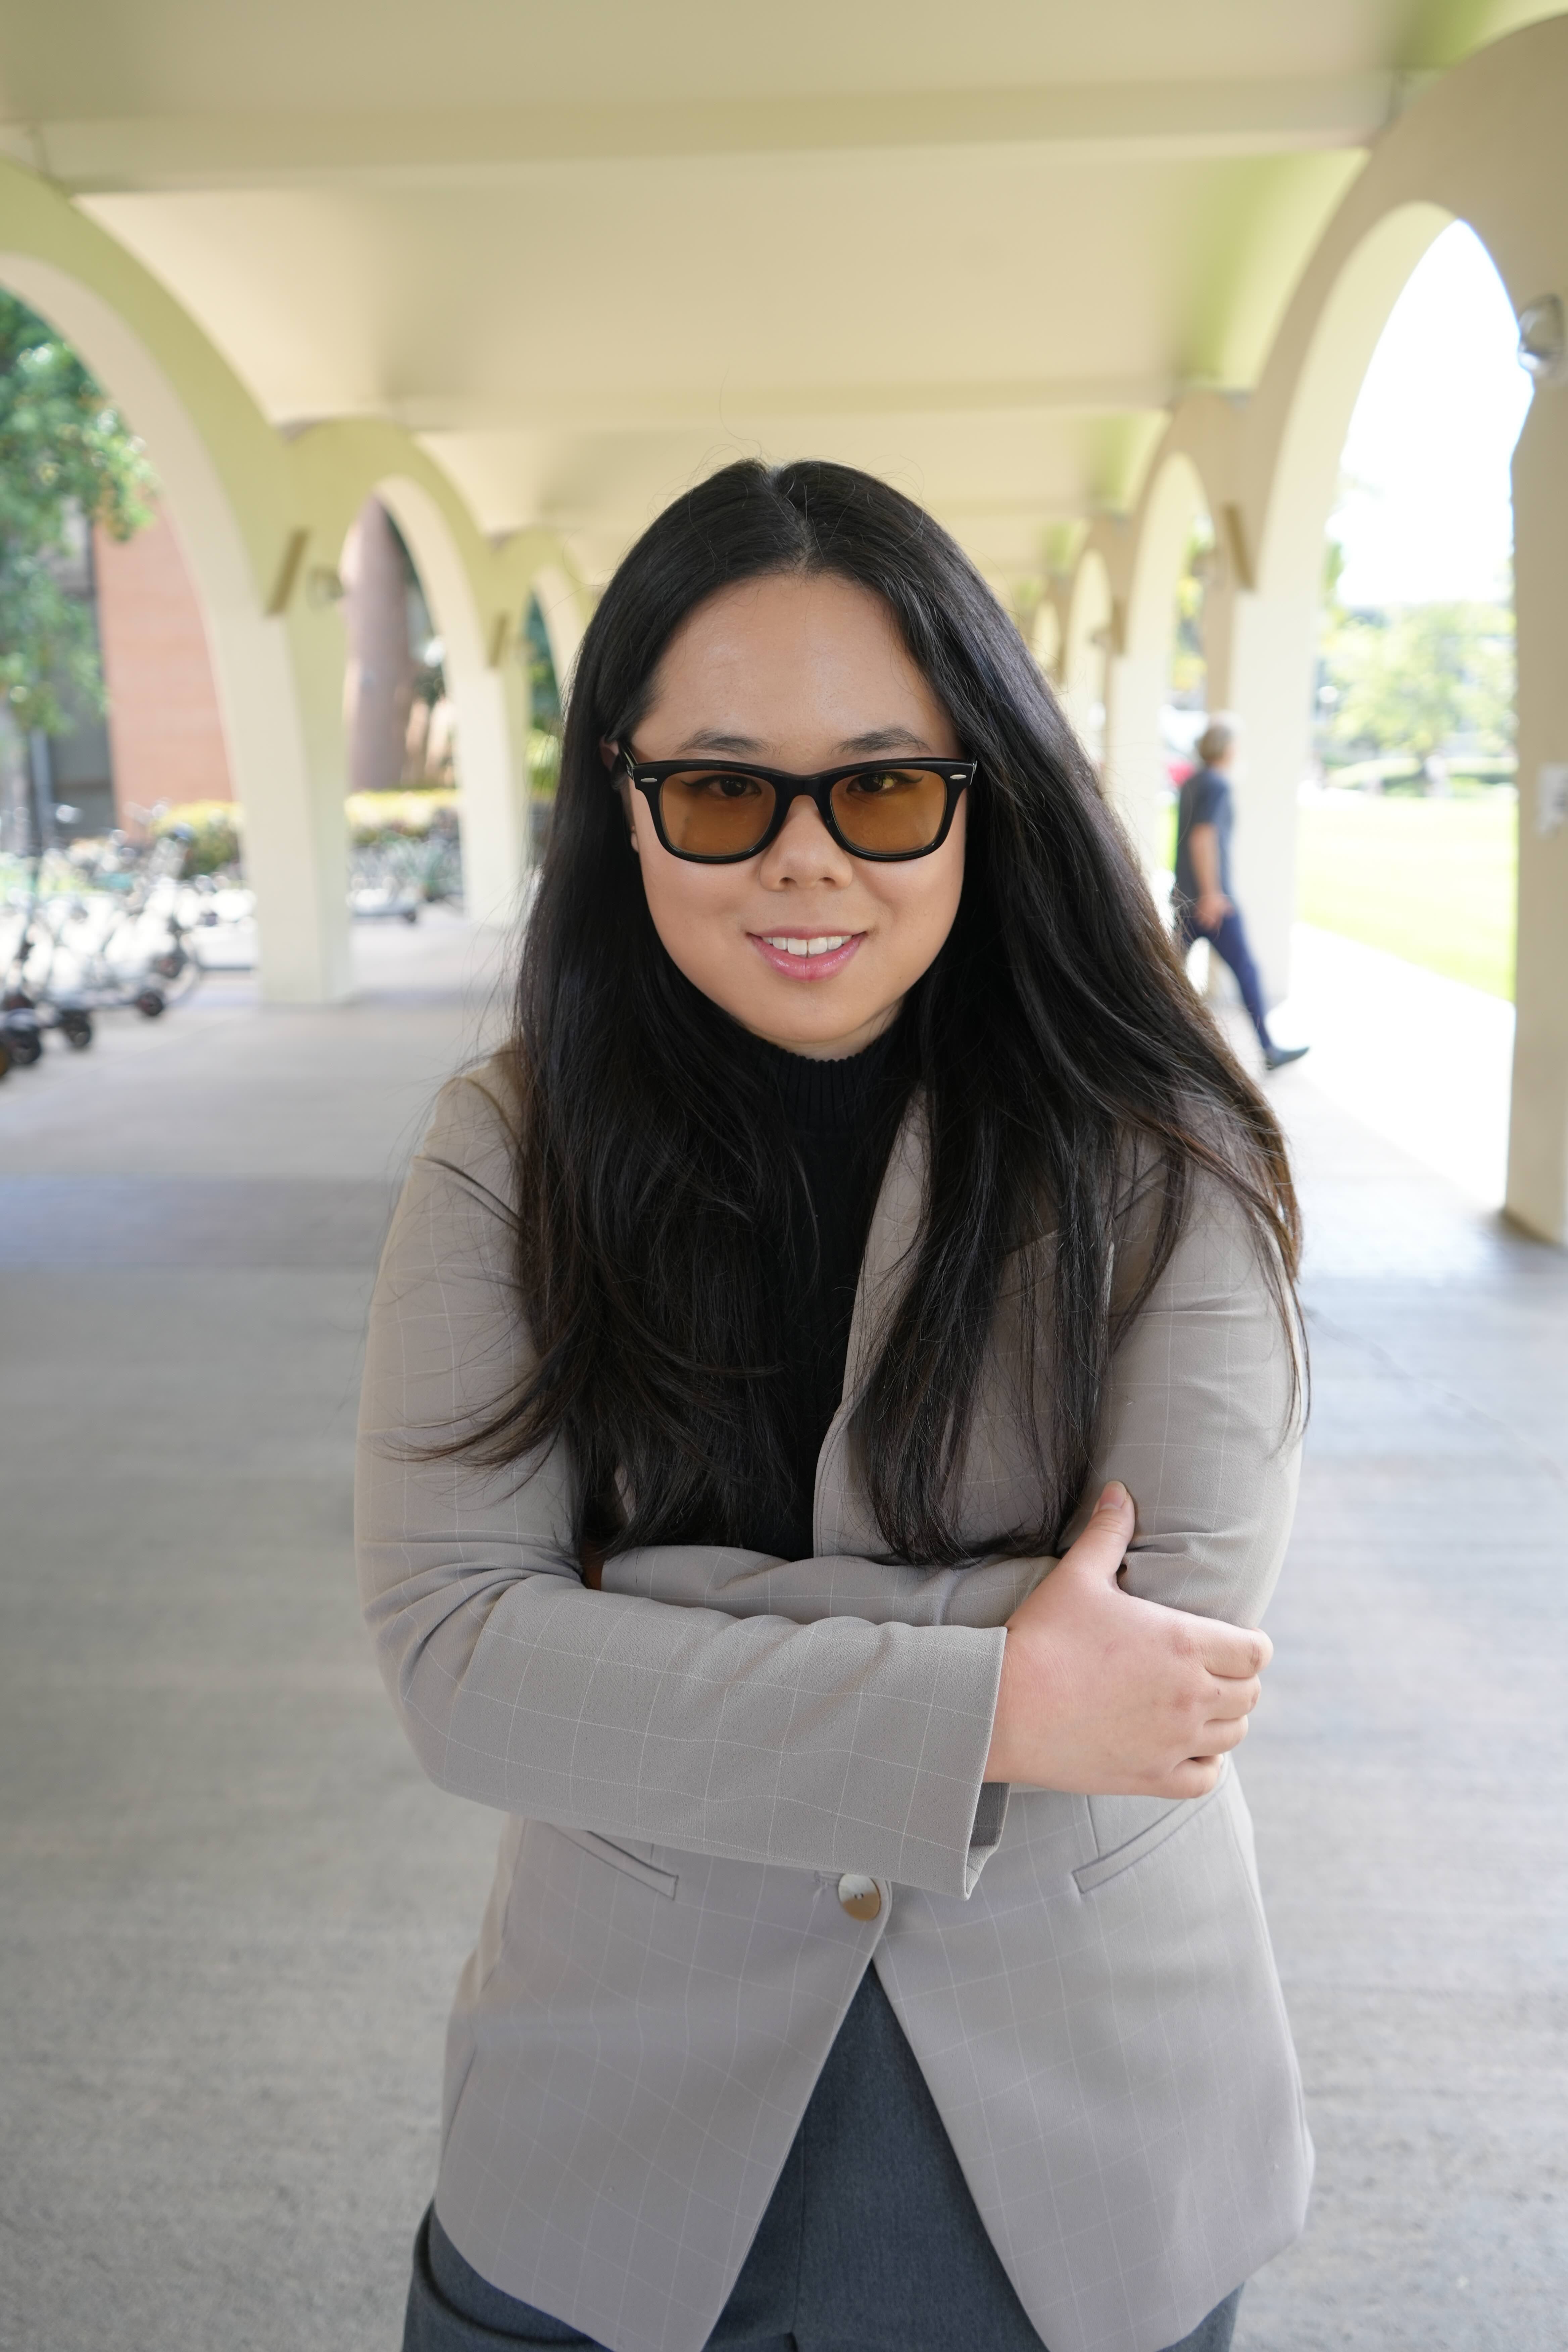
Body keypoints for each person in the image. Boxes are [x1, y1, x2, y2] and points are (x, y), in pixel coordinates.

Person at [357, 460, 1313, 2352]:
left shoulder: (1164, 1146)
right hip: (609, 2114)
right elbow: (458, 1658)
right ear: (621, 807)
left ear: (981, 796)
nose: (806, 860)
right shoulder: (510, 1149)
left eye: (880, 787)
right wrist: (998, 1687)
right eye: (719, 792)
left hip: (1081, 2135)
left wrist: (638, 1623)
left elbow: (1166, 1670)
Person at [1173, 719, 1308, 1072]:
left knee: (1168, 975)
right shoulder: (1217, 785)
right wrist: (1212, 894)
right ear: (1227, 749)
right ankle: (1268, 1049)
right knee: (1246, 970)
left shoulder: (1190, 781)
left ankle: (1150, 1050)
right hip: (1209, 901)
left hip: (1184, 897)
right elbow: (1202, 838)